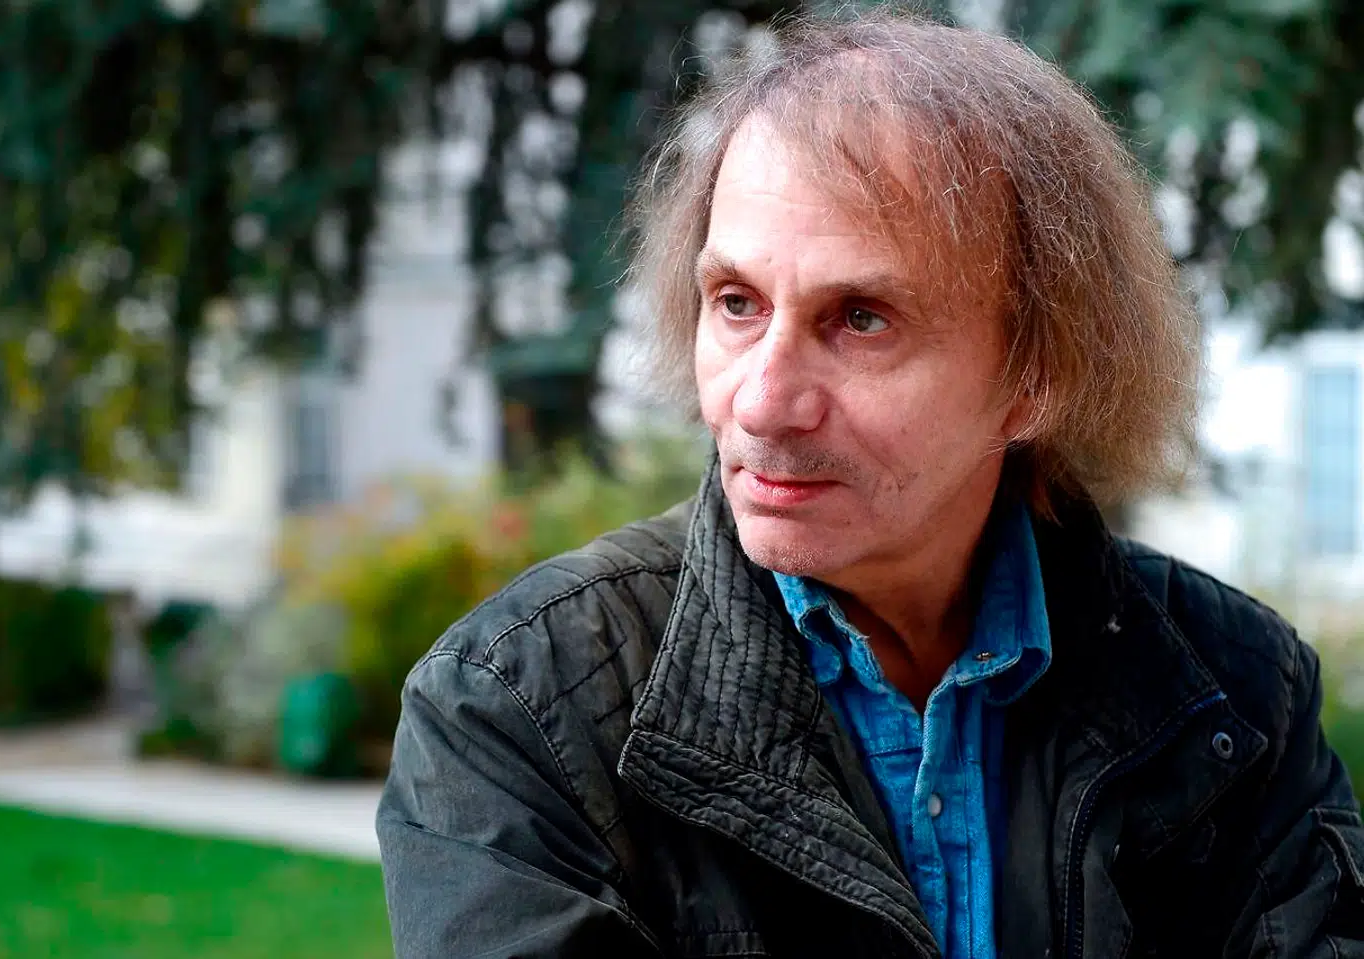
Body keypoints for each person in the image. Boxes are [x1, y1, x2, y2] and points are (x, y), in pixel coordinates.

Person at [377, 9, 1364, 958]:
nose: (763, 402)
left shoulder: (1238, 690)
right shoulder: (518, 704)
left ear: (1036, 373)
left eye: (860, 319)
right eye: (736, 302)